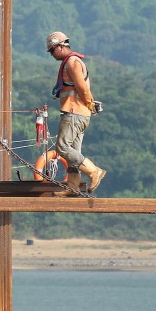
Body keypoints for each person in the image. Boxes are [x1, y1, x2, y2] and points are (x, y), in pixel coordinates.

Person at [45, 31, 106, 192]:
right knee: (73, 152)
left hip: (74, 112)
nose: (51, 54)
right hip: (78, 113)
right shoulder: (69, 62)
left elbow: (81, 87)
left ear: (60, 46)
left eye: (52, 50)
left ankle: (94, 171)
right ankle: (73, 188)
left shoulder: (72, 62)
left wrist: (90, 104)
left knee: (62, 147)